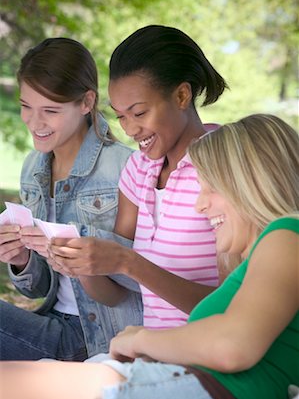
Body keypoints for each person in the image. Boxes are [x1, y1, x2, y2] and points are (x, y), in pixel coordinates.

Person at [1, 113, 298, 399]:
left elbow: (232, 347)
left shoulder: (287, 234)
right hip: (196, 392)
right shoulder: (258, 258)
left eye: (211, 189)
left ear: (250, 184)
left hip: (211, 397)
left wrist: (141, 339)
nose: (200, 206)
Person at [49, 25, 229, 330]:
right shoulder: (138, 170)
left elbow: (233, 308)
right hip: (151, 353)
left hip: (204, 359)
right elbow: (119, 293)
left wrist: (129, 262)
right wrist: (82, 267)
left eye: (140, 112)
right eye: (121, 116)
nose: (130, 130)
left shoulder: (227, 165)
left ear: (182, 95)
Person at [0, 37, 142, 361]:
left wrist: (83, 255)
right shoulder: (33, 168)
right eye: (26, 106)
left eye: (50, 110)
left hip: (101, 336)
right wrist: (20, 259)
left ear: (86, 102)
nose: (34, 123)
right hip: (52, 323)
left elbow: (139, 278)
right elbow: (37, 289)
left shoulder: (126, 168)